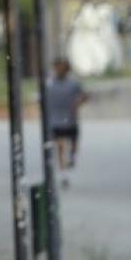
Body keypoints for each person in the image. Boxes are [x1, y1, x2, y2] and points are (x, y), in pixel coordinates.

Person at [46, 59, 87, 189]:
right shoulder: (49, 84)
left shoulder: (73, 84)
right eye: (57, 67)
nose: (59, 70)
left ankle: (72, 158)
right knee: (60, 146)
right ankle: (64, 174)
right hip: (56, 121)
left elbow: (84, 96)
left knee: (73, 145)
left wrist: (78, 102)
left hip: (71, 120)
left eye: (62, 68)